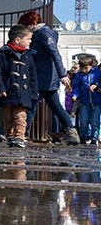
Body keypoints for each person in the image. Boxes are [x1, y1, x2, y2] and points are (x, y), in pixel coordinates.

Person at [18, 10, 80, 144]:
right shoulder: (42, 33)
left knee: (31, 105)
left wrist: (63, 74)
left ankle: (22, 134)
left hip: (43, 79)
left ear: (32, 23)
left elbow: (55, 53)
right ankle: (71, 132)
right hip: (47, 79)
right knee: (55, 106)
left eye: (26, 25)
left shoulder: (43, 33)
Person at [0, 24, 38, 148]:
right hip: (8, 91)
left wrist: (34, 92)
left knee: (20, 115)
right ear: (18, 40)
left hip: (23, 92)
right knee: (8, 116)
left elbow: (32, 74)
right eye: (28, 39)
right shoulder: (3, 54)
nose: (30, 41)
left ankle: (19, 136)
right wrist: (0, 88)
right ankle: (10, 135)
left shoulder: (28, 55)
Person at [71, 54, 101, 144]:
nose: (84, 70)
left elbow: (99, 81)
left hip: (96, 101)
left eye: (86, 68)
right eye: (82, 68)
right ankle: (83, 137)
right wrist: (75, 95)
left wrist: (97, 85)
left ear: (91, 66)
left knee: (95, 122)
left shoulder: (97, 73)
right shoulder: (79, 76)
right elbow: (76, 86)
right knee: (83, 121)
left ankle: (94, 139)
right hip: (85, 101)